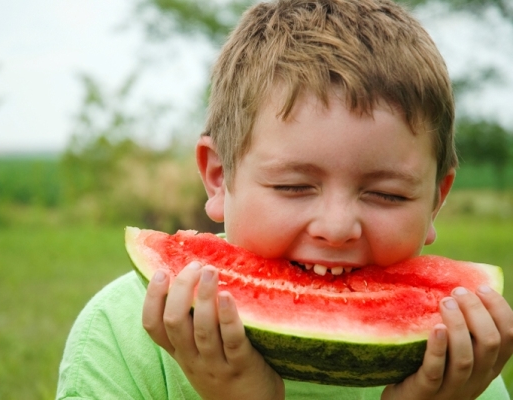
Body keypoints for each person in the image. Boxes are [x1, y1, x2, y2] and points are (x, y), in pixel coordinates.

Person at [56, 0, 513, 398]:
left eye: (386, 194)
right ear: (219, 177)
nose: (336, 228)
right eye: (293, 187)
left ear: (436, 200)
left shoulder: (459, 356)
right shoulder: (117, 336)